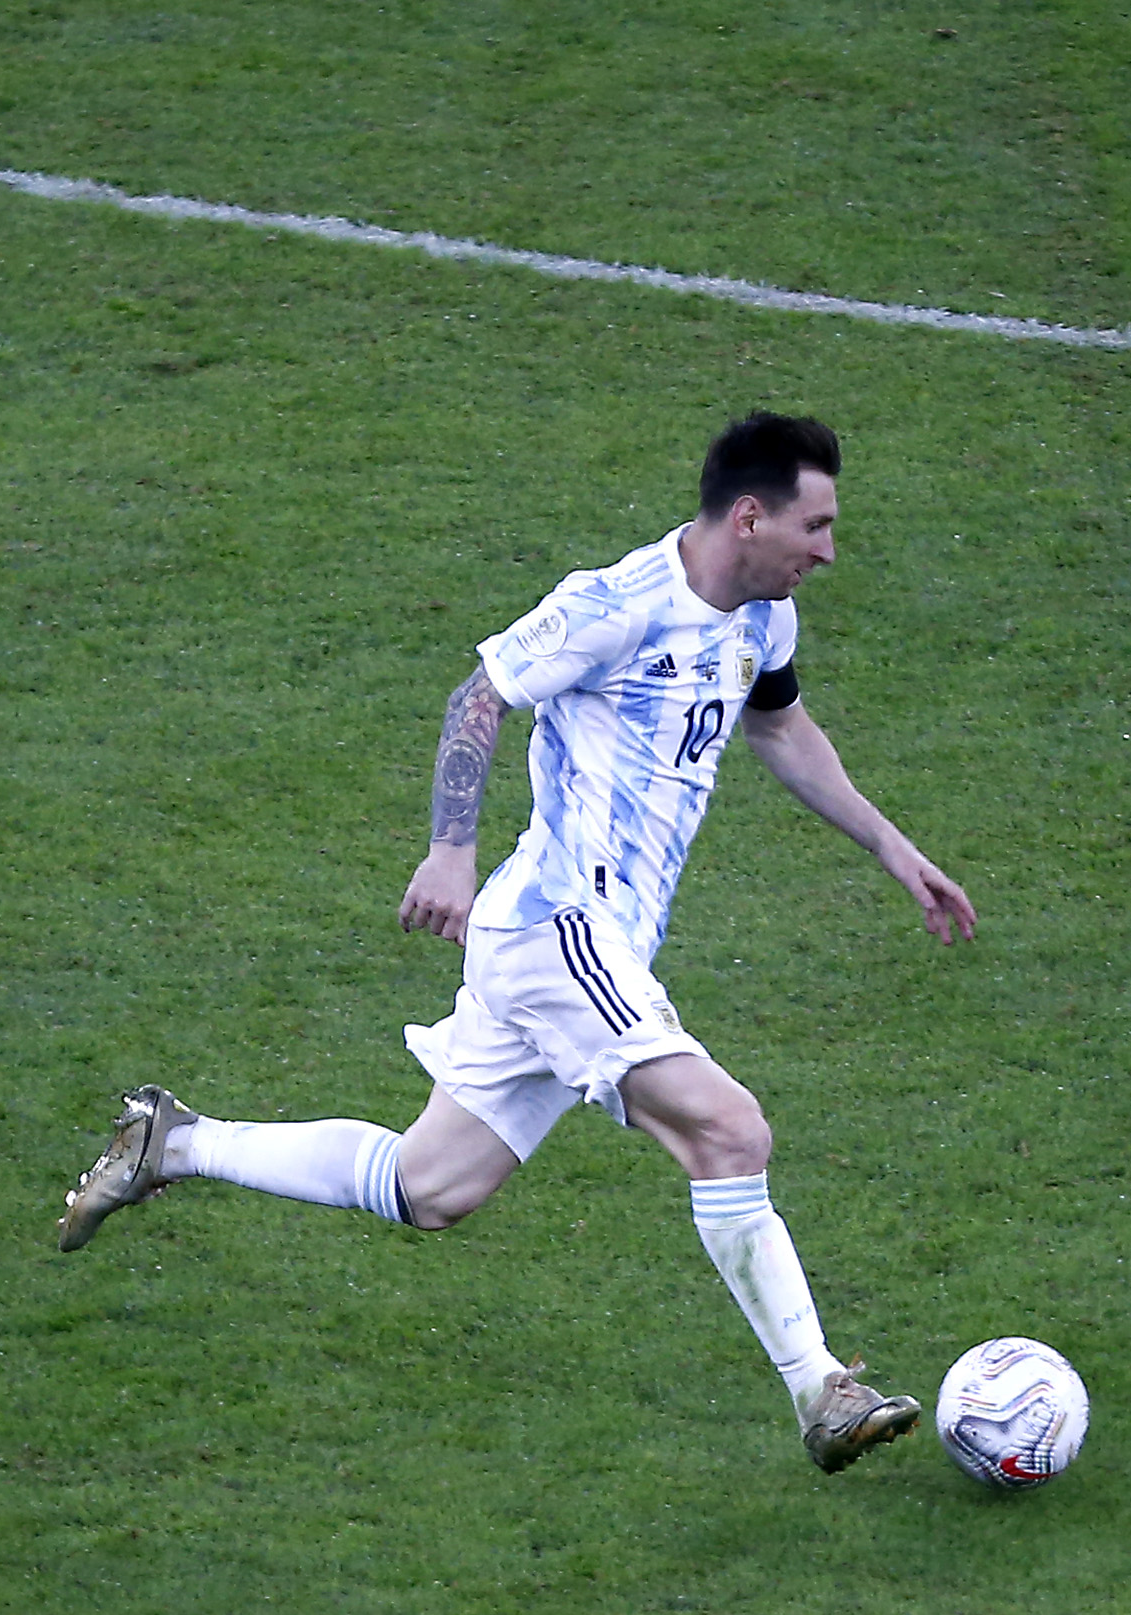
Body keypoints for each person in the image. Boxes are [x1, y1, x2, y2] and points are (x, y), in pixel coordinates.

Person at [56, 412, 975, 1473]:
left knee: (430, 1186)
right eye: (816, 527)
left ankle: (170, 1140)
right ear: (753, 515)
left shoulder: (761, 618)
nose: (827, 551)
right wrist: (450, 847)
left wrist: (891, 847)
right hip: (556, 928)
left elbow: (777, 725)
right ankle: (822, 1387)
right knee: (730, 1132)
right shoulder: (614, 606)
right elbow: (481, 692)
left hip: (585, 944)